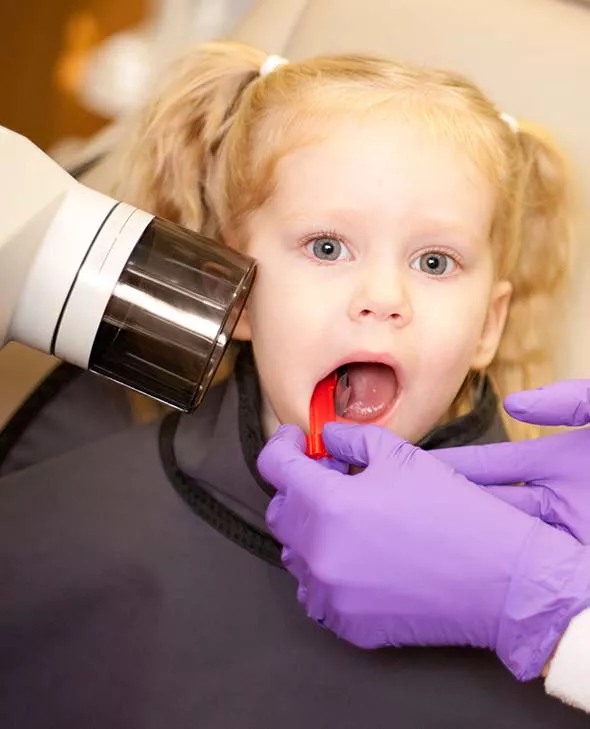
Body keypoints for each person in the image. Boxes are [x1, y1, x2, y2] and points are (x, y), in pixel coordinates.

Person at [0, 42, 586, 728]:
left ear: (489, 325)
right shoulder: (66, 523)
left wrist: (542, 601)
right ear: (235, 293)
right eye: (328, 246)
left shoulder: (557, 569)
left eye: (434, 260)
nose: (383, 295)